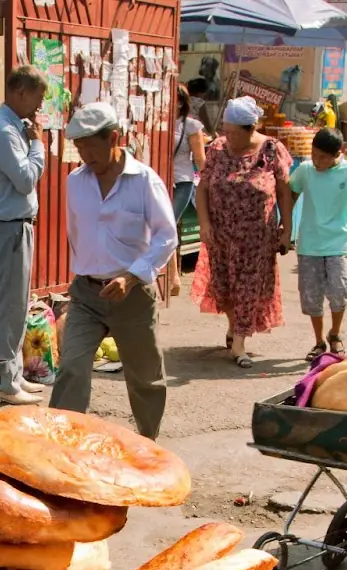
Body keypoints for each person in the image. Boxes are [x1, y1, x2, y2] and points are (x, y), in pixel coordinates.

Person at [50, 102, 176, 440]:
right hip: (87, 294)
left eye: (92, 145)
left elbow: (167, 236)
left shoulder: (145, 181)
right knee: (72, 369)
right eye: (79, 146)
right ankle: (62, 444)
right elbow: (79, 235)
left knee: (145, 378)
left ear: (114, 139)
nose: (85, 154)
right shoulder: (75, 182)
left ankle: (149, 446)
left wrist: (132, 275)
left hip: (132, 294)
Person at [193, 96, 293, 368]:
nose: (228, 137)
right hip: (221, 234)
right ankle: (234, 325)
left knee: (248, 286)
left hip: (256, 237)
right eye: (226, 131)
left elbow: (284, 191)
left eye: (234, 133)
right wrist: (204, 223)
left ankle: (239, 343)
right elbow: (202, 187)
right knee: (224, 285)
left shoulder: (271, 150)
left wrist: (287, 229)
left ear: (250, 129)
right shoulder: (217, 148)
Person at [0, 66, 49, 405]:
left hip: (16, 224)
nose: (39, 105)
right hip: (7, 225)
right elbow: (24, 179)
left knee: (17, 306)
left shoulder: (12, 126)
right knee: (7, 306)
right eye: (38, 97)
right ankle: (4, 382)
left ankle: (13, 375)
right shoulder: (2, 130)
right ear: (20, 92)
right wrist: (38, 146)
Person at [289, 127, 347, 360]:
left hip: (339, 243)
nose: (317, 161)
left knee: (340, 291)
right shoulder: (305, 171)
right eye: (314, 154)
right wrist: (285, 230)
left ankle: (335, 334)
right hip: (309, 243)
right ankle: (318, 341)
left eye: (323, 157)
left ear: (338, 154)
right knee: (311, 296)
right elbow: (290, 195)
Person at [169, 86, 206, 296]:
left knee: (168, 224)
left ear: (180, 102)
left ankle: (173, 276)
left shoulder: (191, 126)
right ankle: (171, 277)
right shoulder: (159, 122)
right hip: (161, 180)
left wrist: (209, 185)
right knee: (163, 225)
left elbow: (200, 158)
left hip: (182, 181)